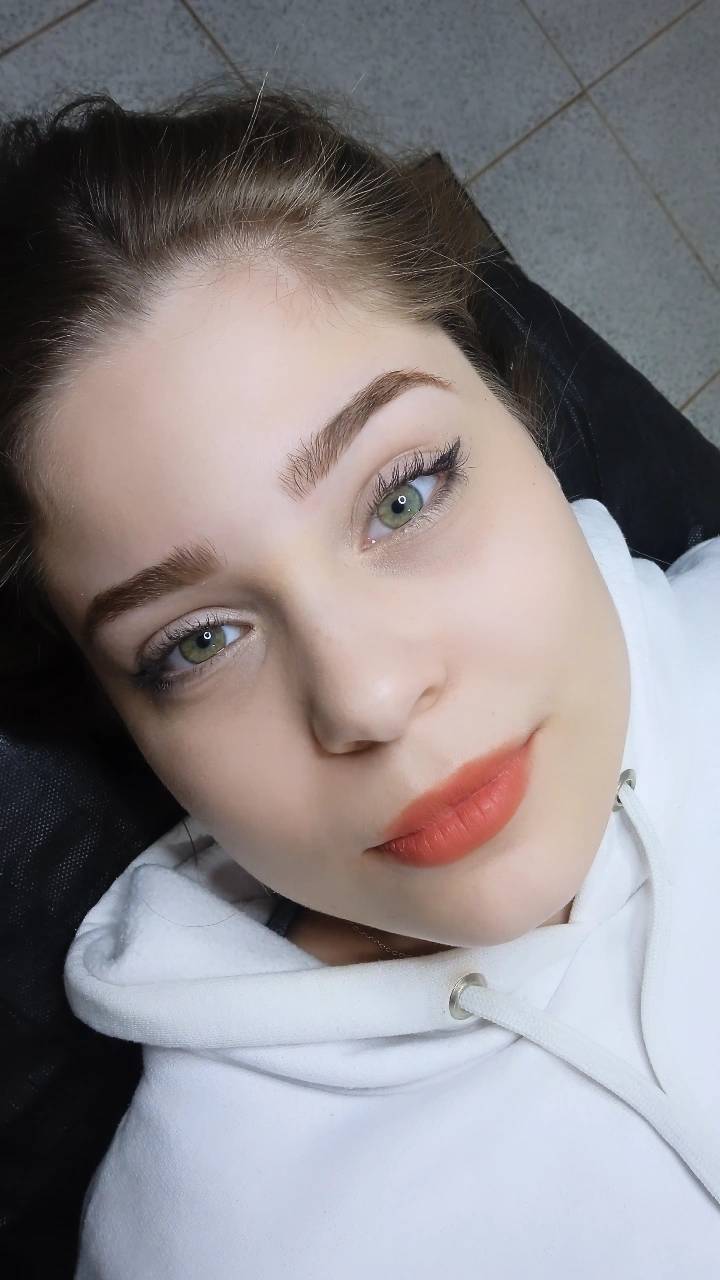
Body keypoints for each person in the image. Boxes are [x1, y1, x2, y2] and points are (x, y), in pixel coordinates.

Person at [1, 82, 719, 1278]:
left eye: (404, 494)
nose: (370, 697)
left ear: (514, 409)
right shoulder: (216, 1242)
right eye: (197, 641)